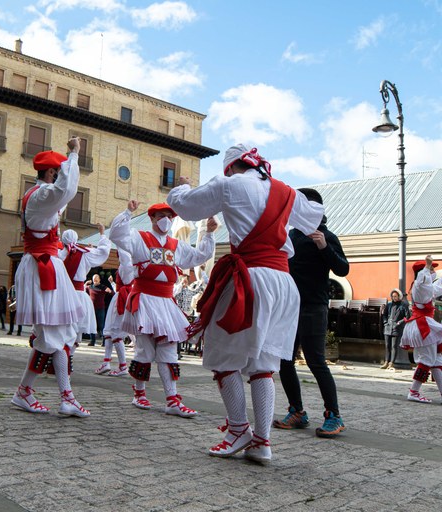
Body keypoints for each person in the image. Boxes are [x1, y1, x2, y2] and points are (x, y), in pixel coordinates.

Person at [168, 144, 324, 464]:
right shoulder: (285, 191)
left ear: (230, 167)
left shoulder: (229, 185)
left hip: (250, 279)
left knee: (223, 355)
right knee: (264, 365)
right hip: (283, 282)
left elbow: (185, 207)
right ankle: (262, 441)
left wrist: (181, 185)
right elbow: (312, 221)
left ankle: (239, 429)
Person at [109, 200, 216, 419]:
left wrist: (209, 234)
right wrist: (128, 212)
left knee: (169, 349)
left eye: (169, 215)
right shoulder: (140, 237)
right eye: (161, 216)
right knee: (145, 350)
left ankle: (172, 399)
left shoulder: (177, 245)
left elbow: (200, 256)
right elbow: (117, 236)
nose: (166, 220)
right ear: (152, 218)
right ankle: (139, 393)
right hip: (145, 299)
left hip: (166, 302)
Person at [10, 137, 90, 417]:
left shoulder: (39, 196)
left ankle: (25, 392)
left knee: (54, 335)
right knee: (55, 334)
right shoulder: (42, 196)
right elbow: (65, 191)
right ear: (51, 173)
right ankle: (64, 397)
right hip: (43, 267)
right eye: (57, 171)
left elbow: (62, 196)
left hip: (46, 266)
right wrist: (74, 154)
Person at [273, 188, 349, 438]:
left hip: (314, 307)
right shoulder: (290, 235)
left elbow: (343, 269)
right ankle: (297, 411)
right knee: (284, 360)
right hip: (289, 307)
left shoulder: (326, 235)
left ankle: (334, 415)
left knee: (316, 361)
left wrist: (325, 247)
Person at [61, 226, 111, 350]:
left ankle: (58, 356)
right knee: (76, 330)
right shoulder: (84, 253)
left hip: (61, 295)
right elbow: (103, 252)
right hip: (78, 295)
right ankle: (69, 356)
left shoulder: (57, 254)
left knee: (61, 328)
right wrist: (102, 234)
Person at [400, 256, 442, 403]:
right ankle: (413, 392)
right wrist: (426, 267)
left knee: (436, 359)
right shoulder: (420, 284)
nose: (433, 271)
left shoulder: (425, 287)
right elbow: (424, 283)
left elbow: (435, 288)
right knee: (427, 360)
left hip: (424, 325)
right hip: (423, 326)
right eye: (431, 268)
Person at [97, 248, 135, 376]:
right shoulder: (128, 264)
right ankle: (106, 362)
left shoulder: (127, 264)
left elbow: (125, 256)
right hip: (120, 298)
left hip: (121, 299)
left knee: (116, 332)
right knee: (109, 330)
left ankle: (123, 366)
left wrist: (121, 242)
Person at [380, 288, 410, 370]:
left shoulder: (403, 305)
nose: (394, 298)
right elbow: (384, 315)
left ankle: (391, 363)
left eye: (395, 296)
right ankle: (386, 361)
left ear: (399, 296)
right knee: (387, 345)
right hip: (388, 327)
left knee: (394, 346)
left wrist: (399, 323)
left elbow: (407, 317)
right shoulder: (389, 305)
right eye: (393, 296)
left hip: (396, 328)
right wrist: (385, 322)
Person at [85, 273, 114, 346]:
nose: (95, 279)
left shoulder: (103, 287)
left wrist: (110, 291)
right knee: (92, 325)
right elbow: (81, 290)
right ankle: (92, 341)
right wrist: (85, 283)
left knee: (101, 326)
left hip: (101, 308)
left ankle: (104, 342)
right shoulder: (89, 287)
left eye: (96, 278)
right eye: (94, 278)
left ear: (99, 280)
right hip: (92, 309)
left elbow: (113, 293)